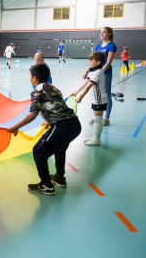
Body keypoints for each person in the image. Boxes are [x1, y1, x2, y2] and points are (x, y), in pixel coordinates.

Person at [7, 64, 81, 195]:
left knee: (38, 151)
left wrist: (15, 127)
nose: (30, 78)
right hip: (74, 125)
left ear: (34, 78)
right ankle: (59, 177)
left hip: (61, 126)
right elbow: (55, 106)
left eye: (30, 76)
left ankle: (46, 185)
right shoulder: (54, 88)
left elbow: (32, 114)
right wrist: (47, 120)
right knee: (59, 149)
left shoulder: (36, 91)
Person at [71, 52, 107, 146]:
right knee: (96, 119)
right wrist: (76, 92)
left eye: (91, 61)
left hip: (100, 99)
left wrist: (81, 96)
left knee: (98, 120)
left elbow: (88, 86)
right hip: (95, 98)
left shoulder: (98, 72)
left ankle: (97, 139)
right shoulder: (93, 71)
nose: (89, 62)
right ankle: (95, 137)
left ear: (98, 62)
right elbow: (85, 83)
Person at [84, 27, 116, 126]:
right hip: (96, 73)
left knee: (106, 95)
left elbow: (108, 62)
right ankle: (98, 117)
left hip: (105, 74)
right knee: (97, 95)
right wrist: (87, 71)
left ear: (109, 33)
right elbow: (94, 62)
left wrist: (100, 72)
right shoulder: (98, 46)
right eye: (101, 32)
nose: (101, 34)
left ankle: (106, 118)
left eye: (104, 32)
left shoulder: (111, 45)